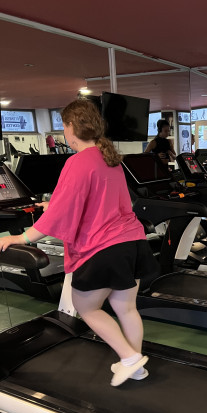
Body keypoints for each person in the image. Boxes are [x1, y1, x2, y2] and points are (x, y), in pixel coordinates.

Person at [0, 99, 157, 387]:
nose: (64, 132)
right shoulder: (111, 160)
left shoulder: (77, 162)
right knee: (126, 308)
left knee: (86, 308)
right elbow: (100, 202)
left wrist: (19, 238)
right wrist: (55, 205)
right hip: (133, 242)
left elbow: (59, 216)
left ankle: (130, 358)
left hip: (104, 248)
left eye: (64, 126)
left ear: (72, 127)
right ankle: (136, 366)